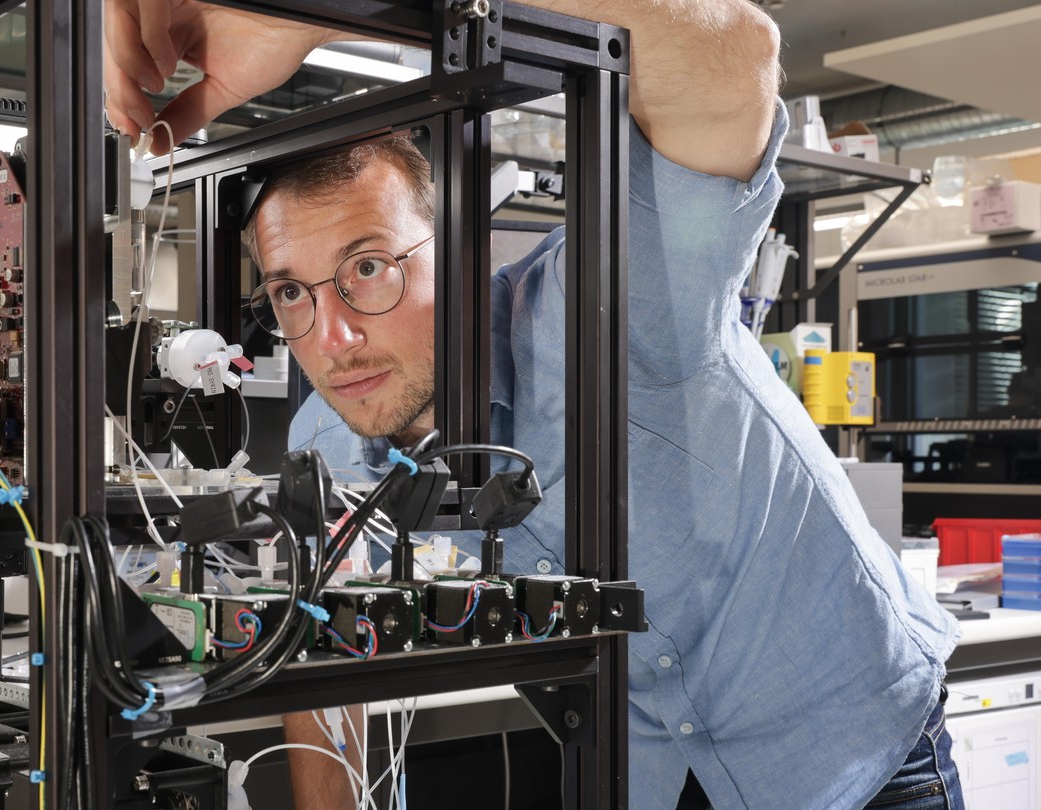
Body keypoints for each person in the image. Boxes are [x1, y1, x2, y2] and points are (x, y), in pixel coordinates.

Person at [104, 1, 964, 808]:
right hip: (652, 779)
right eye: (293, 292)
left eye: (369, 267)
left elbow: (735, 54)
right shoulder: (327, 440)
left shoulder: (615, 307)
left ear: (462, 253)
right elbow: (324, 638)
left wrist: (333, 6)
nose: (332, 338)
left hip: (857, 758)